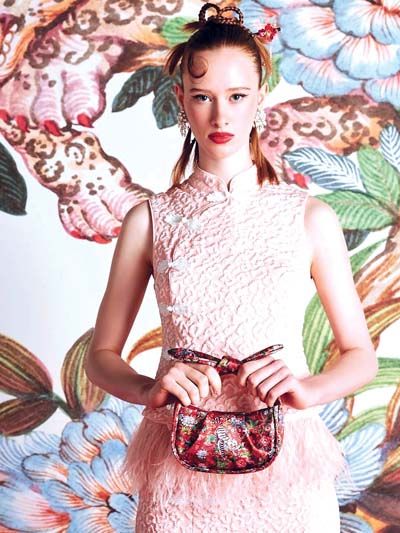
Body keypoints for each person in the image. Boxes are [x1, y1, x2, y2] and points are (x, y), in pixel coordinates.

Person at [84, 3, 378, 531]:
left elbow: (361, 356)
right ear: (181, 100)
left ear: (260, 97)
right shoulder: (149, 220)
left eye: (237, 96)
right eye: (203, 96)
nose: (221, 116)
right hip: (179, 470)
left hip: (288, 470)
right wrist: (150, 390)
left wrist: (308, 389)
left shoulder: (310, 216)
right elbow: (100, 356)